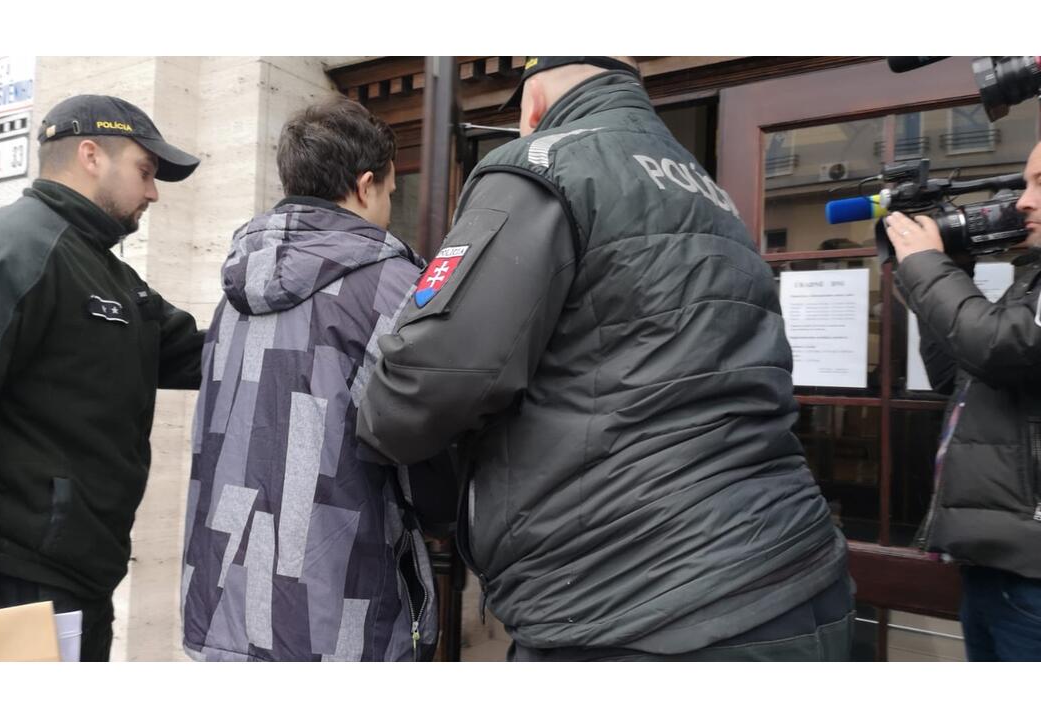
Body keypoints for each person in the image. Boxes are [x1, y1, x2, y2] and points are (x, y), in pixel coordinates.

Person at [357, 57, 853, 661]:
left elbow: (423, 383)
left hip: (637, 605)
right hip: (800, 576)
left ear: (532, 102)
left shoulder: (539, 164)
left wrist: (369, 415)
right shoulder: (710, 192)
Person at [180, 96, 446, 661]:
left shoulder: (234, 294)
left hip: (222, 605)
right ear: (365, 184)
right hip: (341, 617)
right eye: (392, 193)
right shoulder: (394, 288)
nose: (388, 206)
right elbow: (432, 447)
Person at [0, 94, 203, 661]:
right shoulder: (11, 251)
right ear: (92, 155)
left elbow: (201, 354)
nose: (153, 192)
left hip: (77, 577)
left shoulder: (109, 274)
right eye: (146, 171)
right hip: (6, 582)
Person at [884, 140, 1041, 661]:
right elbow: (957, 370)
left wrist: (929, 265)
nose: (1023, 201)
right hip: (999, 566)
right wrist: (950, 272)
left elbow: (996, 346)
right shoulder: (1031, 283)